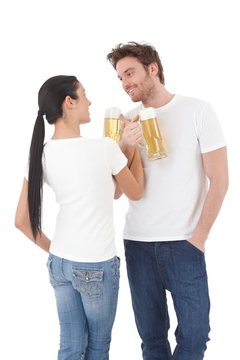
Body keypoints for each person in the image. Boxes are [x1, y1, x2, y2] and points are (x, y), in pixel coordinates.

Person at [107, 42, 229, 360]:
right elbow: (115, 192)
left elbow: (220, 180)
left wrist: (198, 237)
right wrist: (122, 146)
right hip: (138, 243)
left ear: (153, 69)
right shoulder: (126, 122)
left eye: (130, 73)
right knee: (152, 340)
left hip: (184, 243)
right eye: (119, 77)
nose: (125, 83)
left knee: (195, 336)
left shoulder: (197, 110)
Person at [15, 75, 144, 360]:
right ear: (69, 102)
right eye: (84, 95)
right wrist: (130, 146)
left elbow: (22, 221)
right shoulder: (104, 148)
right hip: (96, 265)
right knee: (97, 348)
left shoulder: (41, 154)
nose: (90, 101)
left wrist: (59, 252)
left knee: (71, 348)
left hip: (60, 265)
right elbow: (134, 192)